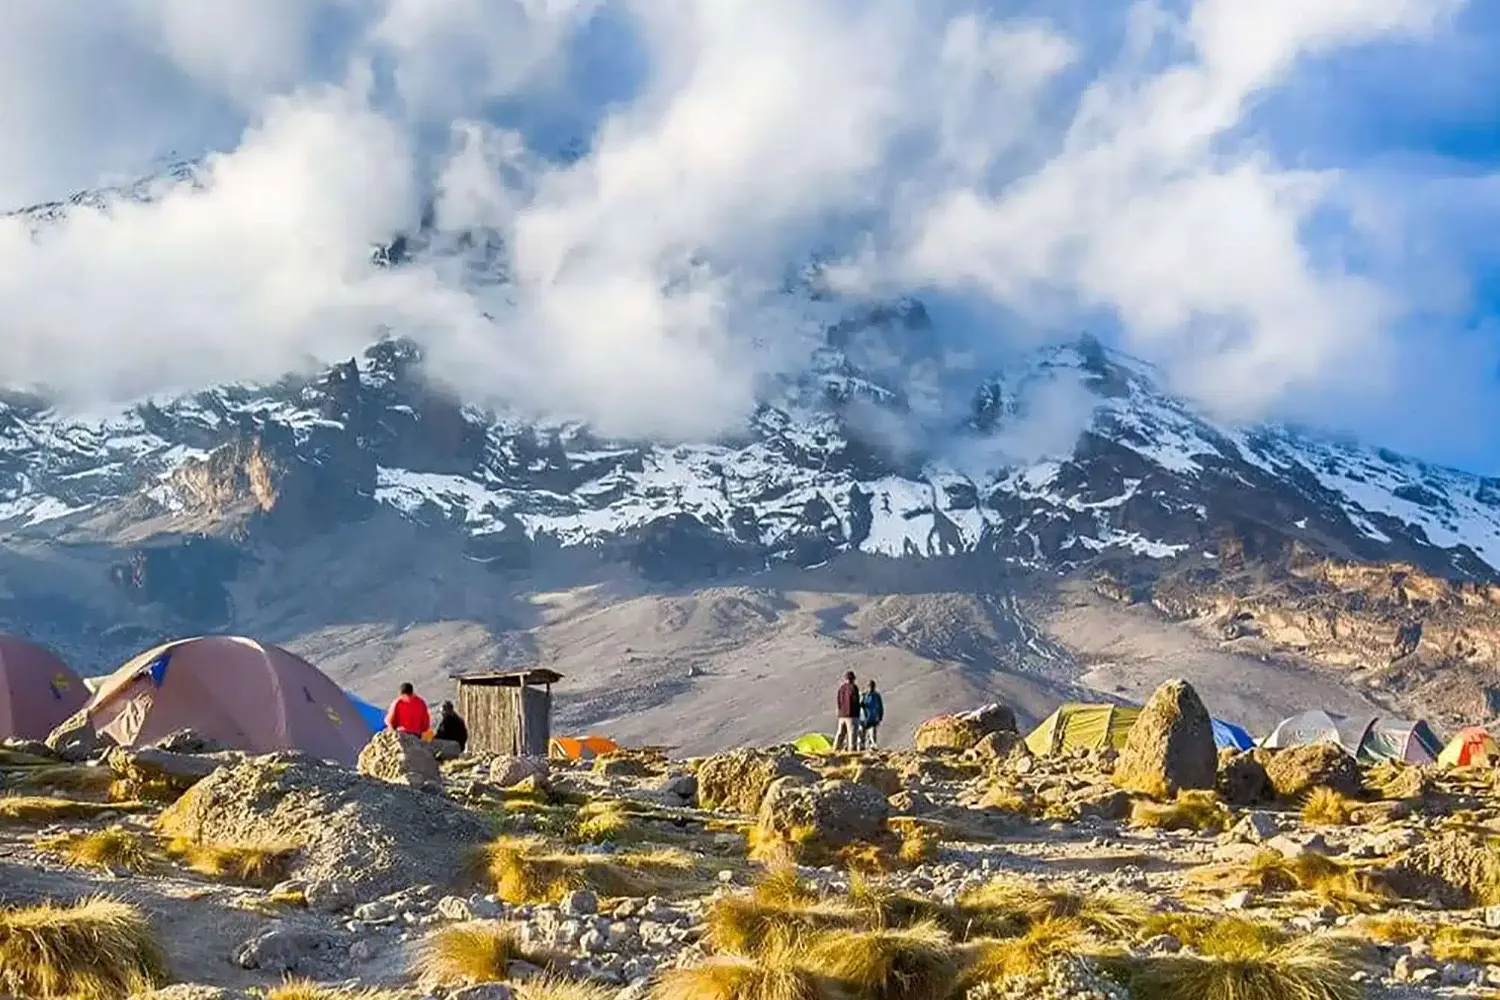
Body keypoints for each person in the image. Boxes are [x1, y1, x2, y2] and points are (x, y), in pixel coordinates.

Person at [834, 671, 860, 751]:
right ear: (853, 679)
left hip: (842, 715)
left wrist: (840, 711)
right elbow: (856, 701)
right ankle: (852, 752)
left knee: (840, 734)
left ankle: (835, 750)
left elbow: (838, 701)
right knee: (852, 735)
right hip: (851, 715)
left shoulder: (841, 688)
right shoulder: (853, 687)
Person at [860, 679, 884, 749]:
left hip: (873, 719)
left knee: (872, 737)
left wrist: (880, 717)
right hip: (863, 719)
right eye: (870, 686)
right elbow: (859, 706)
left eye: (872, 686)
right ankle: (862, 748)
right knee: (862, 737)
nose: (871, 688)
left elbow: (880, 707)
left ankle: (872, 748)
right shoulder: (863, 695)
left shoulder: (877, 696)